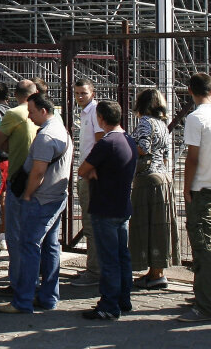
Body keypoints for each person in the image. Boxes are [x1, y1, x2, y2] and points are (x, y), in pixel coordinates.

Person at [0, 92, 71, 316]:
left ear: (43, 111)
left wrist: (28, 194)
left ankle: (23, 300)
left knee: (29, 246)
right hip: (56, 196)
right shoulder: (61, 129)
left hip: (41, 198)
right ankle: (48, 297)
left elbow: (38, 171)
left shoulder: (46, 136)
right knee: (50, 246)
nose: (29, 117)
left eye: (31, 112)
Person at [176, 72, 211, 323]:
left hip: (202, 187)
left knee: (203, 246)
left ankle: (206, 304)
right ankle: (207, 293)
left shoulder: (195, 118)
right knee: (208, 241)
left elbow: (192, 158)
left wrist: (186, 187)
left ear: (190, 90)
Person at [78, 100, 137, 321]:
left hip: (104, 207)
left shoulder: (107, 142)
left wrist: (92, 171)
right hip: (122, 206)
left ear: (100, 118)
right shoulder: (128, 140)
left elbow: (83, 169)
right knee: (122, 256)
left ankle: (109, 304)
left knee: (109, 258)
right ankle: (123, 299)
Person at [129, 88, 178, 290]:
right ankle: (157, 271)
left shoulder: (145, 122)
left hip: (147, 179)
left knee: (145, 225)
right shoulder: (162, 124)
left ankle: (154, 273)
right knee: (160, 226)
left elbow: (143, 147)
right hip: (164, 177)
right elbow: (165, 154)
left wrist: (126, 144)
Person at [0, 79, 36, 288]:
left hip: (18, 176)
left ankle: (18, 281)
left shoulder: (14, 113)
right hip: (39, 177)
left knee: (16, 233)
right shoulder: (45, 114)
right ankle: (32, 279)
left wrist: (14, 148)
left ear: (16, 95)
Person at [70, 79, 104, 286]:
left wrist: (91, 169)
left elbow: (100, 141)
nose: (80, 97)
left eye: (83, 93)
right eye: (76, 93)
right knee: (90, 224)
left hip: (90, 174)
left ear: (93, 93)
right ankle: (93, 267)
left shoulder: (94, 112)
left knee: (92, 225)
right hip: (86, 172)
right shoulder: (85, 113)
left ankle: (95, 271)